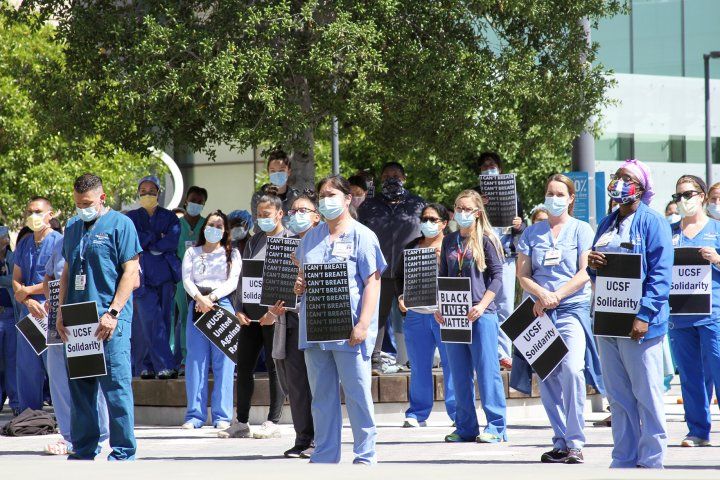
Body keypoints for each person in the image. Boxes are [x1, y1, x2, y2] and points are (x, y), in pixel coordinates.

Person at [293, 175, 386, 464]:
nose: (326, 200)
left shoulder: (363, 236)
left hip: (349, 330)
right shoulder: (311, 236)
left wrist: (363, 324)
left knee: (357, 394)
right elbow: (302, 274)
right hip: (316, 328)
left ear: (347, 199)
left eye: (332, 194)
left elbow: (373, 282)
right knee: (321, 397)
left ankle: (365, 455)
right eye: (322, 195)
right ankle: (325, 453)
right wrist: (299, 284)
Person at [587, 159, 672, 469]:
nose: (620, 182)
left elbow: (661, 274)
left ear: (642, 187)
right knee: (619, 397)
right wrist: (592, 265)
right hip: (608, 319)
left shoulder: (653, 221)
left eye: (628, 177)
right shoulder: (606, 222)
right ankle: (623, 457)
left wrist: (645, 314)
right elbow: (598, 273)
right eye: (617, 176)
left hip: (640, 324)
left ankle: (651, 460)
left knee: (646, 395)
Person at [516, 174, 604, 464]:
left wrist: (557, 296)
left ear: (570, 199)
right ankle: (561, 441)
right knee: (548, 377)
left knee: (573, 370)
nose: (554, 198)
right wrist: (542, 294)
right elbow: (523, 275)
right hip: (539, 312)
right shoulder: (531, 233)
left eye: (560, 193)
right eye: (550, 193)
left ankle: (577, 441)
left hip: (570, 309)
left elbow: (584, 273)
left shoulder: (581, 230)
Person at [56, 173, 142, 460]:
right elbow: (67, 271)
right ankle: (83, 448)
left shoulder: (121, 224)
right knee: (80, 388)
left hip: (109, 318)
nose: (83, 208)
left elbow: (131, 272)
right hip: (78, 317)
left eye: (88, 203)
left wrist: (113, 312)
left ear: (101, 198)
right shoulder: (72, 227)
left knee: (116, 386)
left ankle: (122, 450)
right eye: (78, 203)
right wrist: (60, 311)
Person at [437, 189, 507, 444]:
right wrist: (440, 306)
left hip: (481, 313)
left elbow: (498, 277)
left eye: (467, 209)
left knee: (487, 371)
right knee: (458, 373)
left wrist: (483, 305)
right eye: (458, 208)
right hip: (454, 313)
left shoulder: (487, 240)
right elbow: (443, 276)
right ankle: (466, 427)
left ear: (477, 213)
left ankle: (497, 427)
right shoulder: (449, 241)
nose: (462, 213)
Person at [220, 193, 286, 439]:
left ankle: (273, 420)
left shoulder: (290, 240)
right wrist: (238, 308)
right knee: (244, 365)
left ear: (280, 214)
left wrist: (273, 312)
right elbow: (243, 278)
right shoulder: (254, 240)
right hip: (249, 316)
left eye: (266, 215)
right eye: (259, 215)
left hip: (276, 316)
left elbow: (290, 283)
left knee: (274, 367)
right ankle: (241, 421)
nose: (261, 219)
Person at [42, 220, 110, 455]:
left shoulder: (104, 239)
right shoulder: (61, 243)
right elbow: (49, 276)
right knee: (58, 377)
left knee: (91, 377)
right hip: (60, 317)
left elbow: (132, 279)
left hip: (90, 316)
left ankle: (100, 434)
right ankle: (69, 436)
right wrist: (52, 300)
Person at [263, 192, 321, 457]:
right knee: (296, 383)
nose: (297, 216)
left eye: (303, 211)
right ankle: (302, 437)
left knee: (318, 383)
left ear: (316, 217)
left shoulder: (323, 242)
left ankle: (320, 440)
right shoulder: (281, 244)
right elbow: (272, 284)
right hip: (290, 321)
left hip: (318, 322)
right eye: (293, 211)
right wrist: (273, 309)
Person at [667, 175, 720, 447]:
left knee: (718, 367)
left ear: (701, 196)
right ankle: (698, 431)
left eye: (688, 194)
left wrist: (717, 259)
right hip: (679, 316)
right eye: (678, 196)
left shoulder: (717, 230)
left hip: (713, 314)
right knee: (689, 376)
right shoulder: (669, 232)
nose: (683, 200)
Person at [358, 162, 425, 374]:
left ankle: (418, 358)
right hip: (380, 270)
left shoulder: (418, 204)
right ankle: (374, 359)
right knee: (377, 315)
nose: (391, 179)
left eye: (396, 175)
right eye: (386, 176)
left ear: (404, 178)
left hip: (411, 269)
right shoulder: (369, 205)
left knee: (414, 315)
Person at [395, 203, 456, 428]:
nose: (427, 223)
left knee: (452, 364)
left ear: (444, 223)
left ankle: (458, 414)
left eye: (432, 219)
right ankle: (418, 413)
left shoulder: (453, 245)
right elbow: (398, 277)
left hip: (446, 314)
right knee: (419, 366)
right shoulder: (411, 247)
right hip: (416, 315)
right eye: (424, 219)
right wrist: (401, 298)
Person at [181, 210, 241, 430]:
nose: (213, 229)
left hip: (221, 304)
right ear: (203, 227)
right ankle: (194, 415)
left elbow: (233, 281)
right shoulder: (192, 252)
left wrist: (212, 298)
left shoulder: (232, 253)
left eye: (219, 225)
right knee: (196, 360)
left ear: (225, 231)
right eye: (210, 224)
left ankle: (222, 416)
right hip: (197, 304)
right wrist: (200, 298)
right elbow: (187, 279)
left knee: (224, 362)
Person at [473, 151, 526, 370]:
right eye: (484, 166)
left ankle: (503, 354)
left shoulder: (513, 195)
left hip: (505, 257)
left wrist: (519, 224)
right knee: (479, 305)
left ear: (500, 168)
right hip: (479, 258)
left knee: (505, 306)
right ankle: (484, 353)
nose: (488, 168)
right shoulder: (473, 195)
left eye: (492, 165)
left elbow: (522, 227)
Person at [127, 176, 180, 379]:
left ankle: (146, 366)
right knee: (147, 321)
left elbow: (172, 241)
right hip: (141, 276)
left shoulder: (170, 217)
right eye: (143, 190)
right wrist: (156, 237)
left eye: (151, 190)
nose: (147, 194)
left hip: (165, 276)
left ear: (159, 193)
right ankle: (164, 365)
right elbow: (134, 241)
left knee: (164, 321)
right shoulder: (131, 217)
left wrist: (149, 242)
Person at [12, 196, 62, 411]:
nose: (34, 216)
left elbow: (58, 280)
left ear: (50, 215)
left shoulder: (59, 242)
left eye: (38, 211)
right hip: (28, 310)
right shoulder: (23, 244)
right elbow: (16, 278)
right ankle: (29, 415)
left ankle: (64, 416)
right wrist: (28, 300)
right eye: (30, 211)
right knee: (27, 366)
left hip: (49, 310)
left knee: (55, 367)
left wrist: (27, 292)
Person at [174, 186, 209, 373]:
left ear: (203, 204)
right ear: (186, 201)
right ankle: (185, 359)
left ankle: (203, 358)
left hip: (204, 280)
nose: (195, 204)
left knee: (203, 317)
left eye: (199, 202)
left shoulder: (207, 225)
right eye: (192, 200)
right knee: (185, 318)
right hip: (181, 279)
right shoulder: (176, 225)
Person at [250, 150, 300, 230]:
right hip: (266, 240)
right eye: (273, 171)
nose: (277, 174)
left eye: (281, 170)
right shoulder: (258, 197)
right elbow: (257, 226)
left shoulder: (296, 197)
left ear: (289, 172)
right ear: (268, 172)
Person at [0, 226, 19, 416]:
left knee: (12, 359)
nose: (4, 240)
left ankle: (16, 402)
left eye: (5, 237)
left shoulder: (12, 258)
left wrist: (3, 279)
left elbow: (14, 280)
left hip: (10, 313)